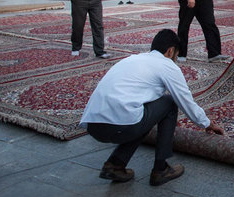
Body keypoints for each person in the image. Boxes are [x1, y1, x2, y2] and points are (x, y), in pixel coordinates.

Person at [80, 29, 225, 186]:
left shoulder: (132, 59)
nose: (175, 60)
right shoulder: (166, 65)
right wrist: (208, 124)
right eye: (176, 55)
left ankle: (116, 164)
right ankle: (160, 168)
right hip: (121, 125)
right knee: (169, 103)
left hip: (93, 125)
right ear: (170, 51)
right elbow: (186, 102)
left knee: (142, 113)